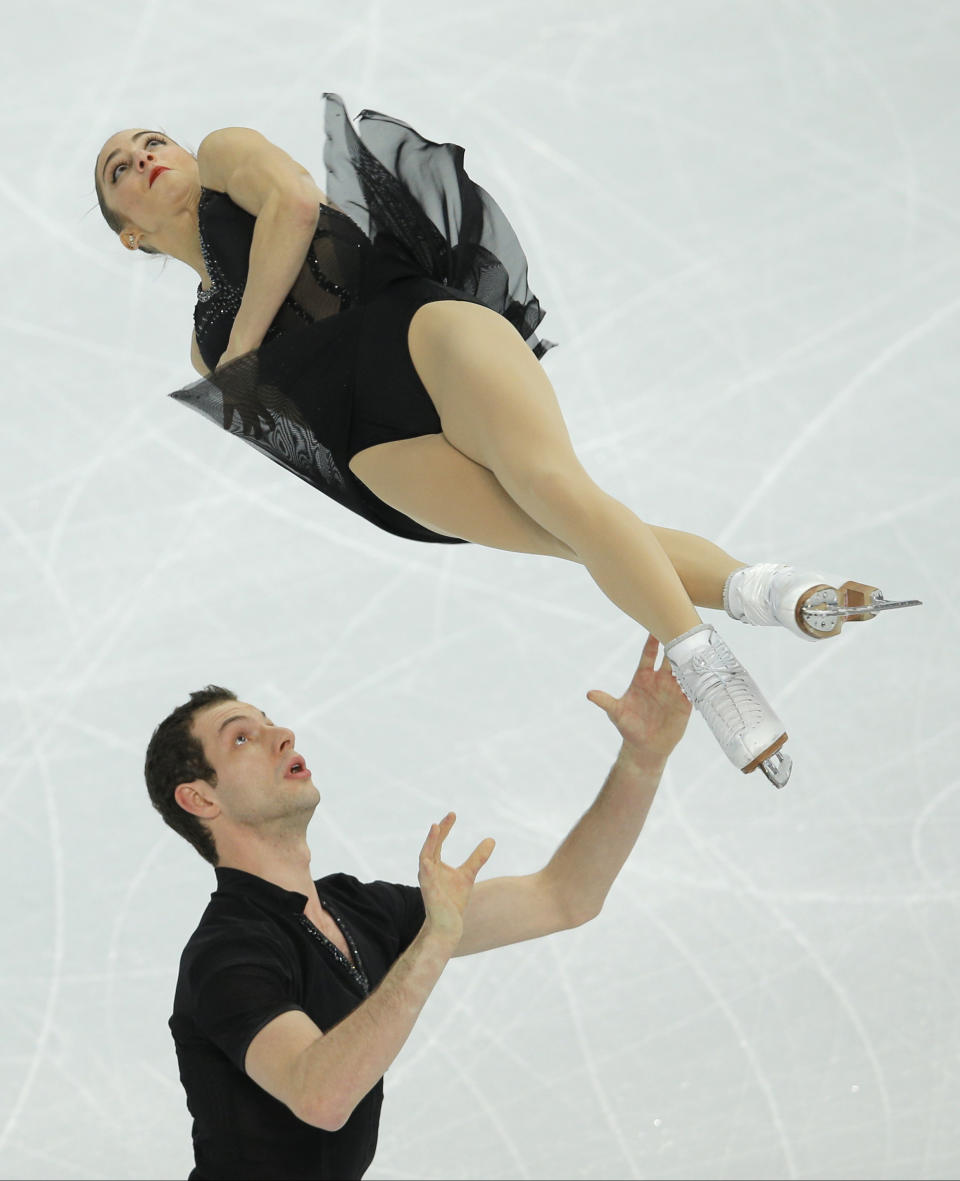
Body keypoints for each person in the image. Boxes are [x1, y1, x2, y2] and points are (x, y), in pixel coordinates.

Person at [97, 96, 918, 786]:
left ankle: (712, 673)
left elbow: (299, 205)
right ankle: (773, 590)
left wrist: (244, 345)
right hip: (373, 445)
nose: (144, 158)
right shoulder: (201, 349)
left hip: (417, 331)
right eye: (120, 170)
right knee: (571, 537)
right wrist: (385, 501)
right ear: (128, 234)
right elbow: (297, 436)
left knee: (562, 493)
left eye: (150, 142)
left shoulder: (227, 158)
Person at [146, 634, 688, 1179]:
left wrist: (643, 759)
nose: (282, 735)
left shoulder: (358, 909)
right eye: (242, 739)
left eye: (270, 722)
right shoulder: (228, 953)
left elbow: (565, 896)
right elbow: (320, 1096)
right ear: (201, 799)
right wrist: (434, 941)